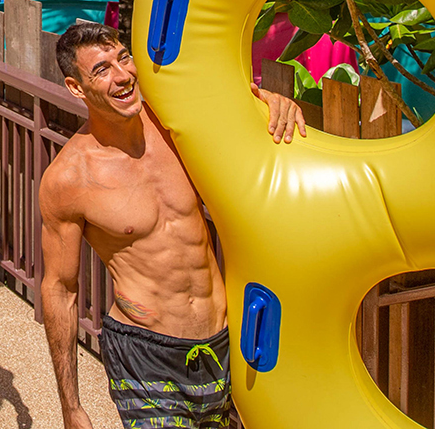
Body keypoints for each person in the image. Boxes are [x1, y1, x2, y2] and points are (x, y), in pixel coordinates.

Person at [39, 22, 308, 429]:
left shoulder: (177, 123)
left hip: (224, 340)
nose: (123, 76)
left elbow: (242, 108)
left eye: (124, 58)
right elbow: (60, 289)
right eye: (102, 70)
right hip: (145, 352)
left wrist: (273, 102)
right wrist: (71, 406)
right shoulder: (69, 179)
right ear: (77, 88)